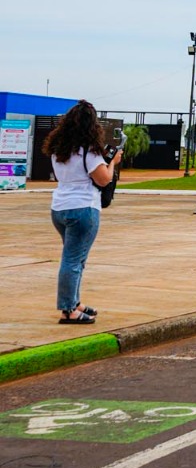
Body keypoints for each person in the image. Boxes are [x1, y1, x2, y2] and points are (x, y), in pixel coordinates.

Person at [43, 100, 121, 325]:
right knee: (73, 260)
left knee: (75, 258)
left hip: (59, 208)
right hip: (83, 207)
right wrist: (113, 162)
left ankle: (74, 302)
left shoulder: (58, 149)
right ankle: (68, 310)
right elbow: (104, 179)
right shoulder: (90, 151)